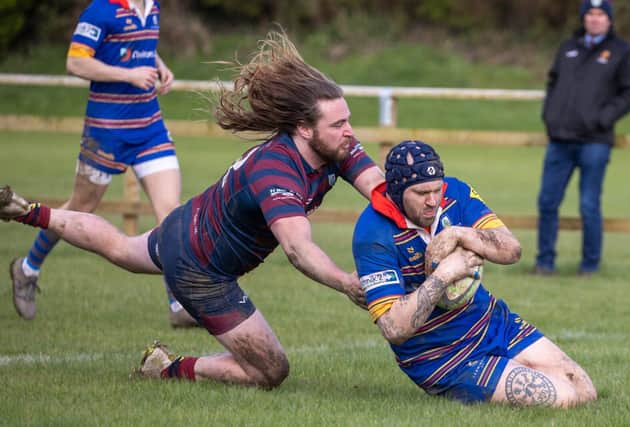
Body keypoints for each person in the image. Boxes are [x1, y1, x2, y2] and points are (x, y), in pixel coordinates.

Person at [0, 30, 384, 389]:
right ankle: (166, 368)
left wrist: (428, 221)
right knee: (270, 371)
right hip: (201, 270)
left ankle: (27, 210)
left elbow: (379, 189)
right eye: (339, 123)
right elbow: (299, 250)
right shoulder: (276, 170)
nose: (350, 130)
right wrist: (346, 283)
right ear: (304, 128)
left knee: (120, 248)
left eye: (348, 120)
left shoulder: (334, 145)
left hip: (184, 226)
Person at [352, 140, 597, 407]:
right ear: (397, 192)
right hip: (443, 357)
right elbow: (393, 328)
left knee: (583, 390)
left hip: (493, 323)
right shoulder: (372, 232)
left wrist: (459, 233)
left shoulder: (455, 193)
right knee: (564, 398)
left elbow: (511, 250)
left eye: (436, 190)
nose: (433, 201)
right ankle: (464, 387)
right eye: (421, 193)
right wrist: (444, 275)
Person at [7, 0, 198, 327]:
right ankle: (27, 269)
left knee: (170, 213)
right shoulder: (101, 10)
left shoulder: (152, 7)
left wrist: (159, 65)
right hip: (106, 132)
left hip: (150, 129)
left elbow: (138, 47)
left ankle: (178, 304)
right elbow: (76, 63)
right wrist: (129, 74)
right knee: (81, 208)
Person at [534, 0, 630, 276]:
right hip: (560, 140)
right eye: (590, 14)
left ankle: (589, 266)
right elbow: (553, 82)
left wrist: (602, 119)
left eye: (600, 14)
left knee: (589, 205)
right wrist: (550, 116)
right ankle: (545, 263)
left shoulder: (623, 52)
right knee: (547, 202)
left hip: (595, 141)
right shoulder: (568, 47)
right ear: (584, 18)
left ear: (609, 19)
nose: (594, 19)